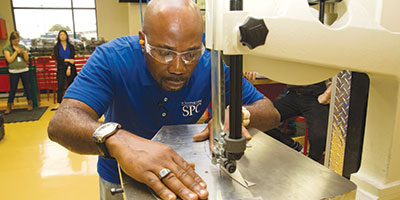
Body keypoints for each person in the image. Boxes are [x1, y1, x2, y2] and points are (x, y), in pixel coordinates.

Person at [47, 0, 280, 200]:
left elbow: (270, 112)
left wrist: (239, 114)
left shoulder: (210, 64)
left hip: (184, 175)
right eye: (164, 52)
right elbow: (62, 122)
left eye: (190, 54)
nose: (178, 68)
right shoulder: (112, 59)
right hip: (119, 180)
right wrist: (118, 141)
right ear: (142, 40)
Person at [244, 72, 331, 162]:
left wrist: (327, 94)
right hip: (293, 95)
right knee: (260, 118)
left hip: (315, 97)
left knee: (319, 136)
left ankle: (313, 163)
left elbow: (343, 73)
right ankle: (293, 146)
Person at [3, 31, 33, 114]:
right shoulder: (7, 48)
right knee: (13, 89)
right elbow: (9, 60)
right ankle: (9, 105)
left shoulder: (22, 46)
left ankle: (30, 103)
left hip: (24, 70)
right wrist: (16, 52)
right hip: (13, 71)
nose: (17, 42)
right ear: (11, 40)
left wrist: (24, 53)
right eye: (15, 41)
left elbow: (26, 60)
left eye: (18, 40)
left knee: (27, 87)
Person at [52, 30, 77, 111]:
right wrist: (67, 60)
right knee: (60, 85)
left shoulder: (71, 46)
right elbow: (58, 59)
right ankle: (59, 102)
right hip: (61, 68)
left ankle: (73, 102)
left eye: (64, 35)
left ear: (66, 36)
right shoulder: (56, 47)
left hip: (71, 67)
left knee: (72, 85)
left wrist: (69, 66)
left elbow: (72, 59)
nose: (63, 36)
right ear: (59, 37)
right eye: (61, 35)